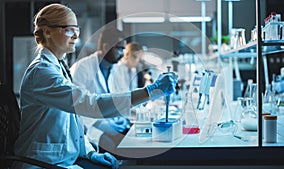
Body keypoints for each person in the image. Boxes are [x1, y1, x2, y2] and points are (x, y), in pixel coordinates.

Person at [13, 3, 177, 169]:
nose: (76, 36)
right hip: (43, 162)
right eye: (69, 29)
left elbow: (73, 124)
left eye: (77, 30)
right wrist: (150, 91)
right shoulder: (42, 72)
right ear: (48, 32)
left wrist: (91, 153)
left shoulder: (59, 66)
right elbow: (90, 105)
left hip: (64, 158)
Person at [70, 28, 130, 154]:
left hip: (113, 123)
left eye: (124, 49)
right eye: (119, 48)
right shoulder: (82, 68)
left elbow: (122, 97)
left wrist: (123, 117)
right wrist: (101, 125)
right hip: (88, 127)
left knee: (131, 142)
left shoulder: (118, 69)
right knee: (113, 147)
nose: (122, 54)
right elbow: (76, 108)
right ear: (106, 46)